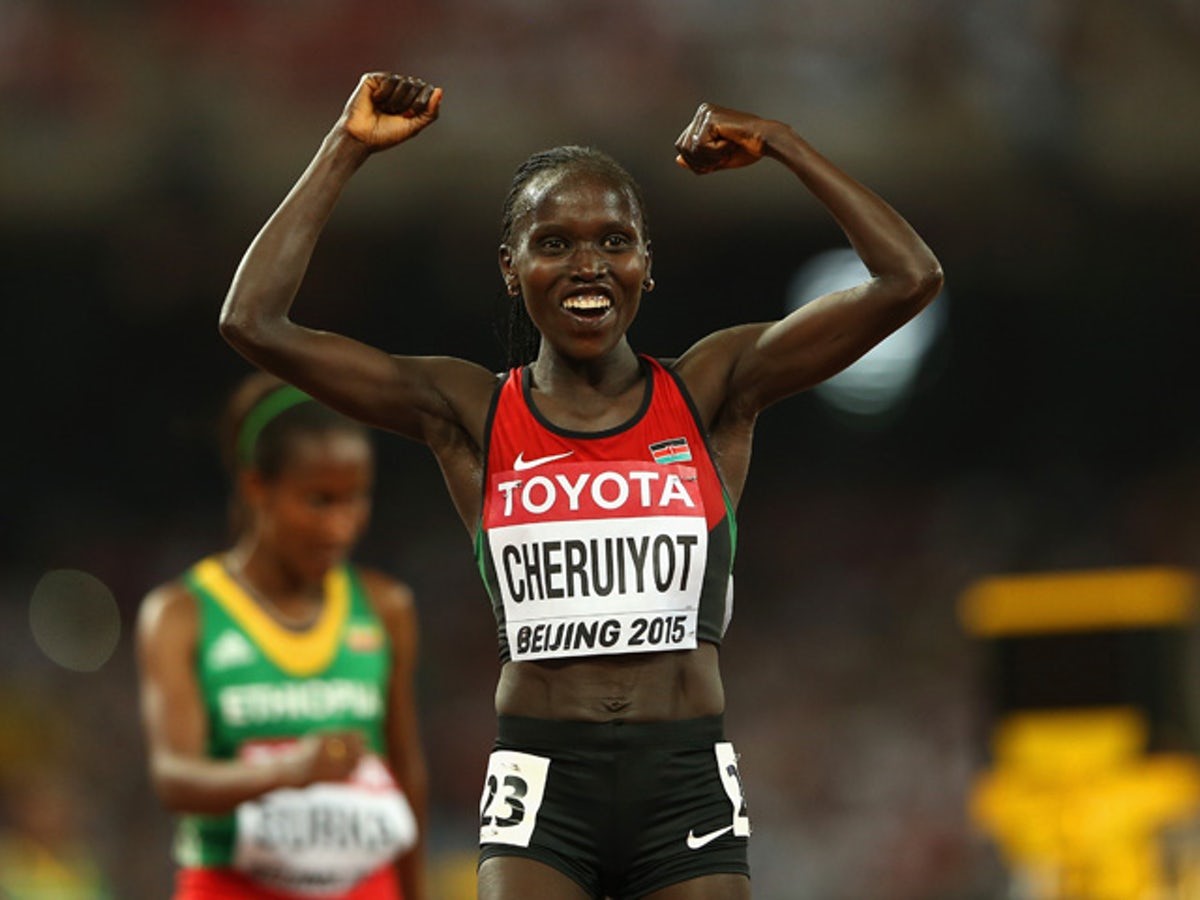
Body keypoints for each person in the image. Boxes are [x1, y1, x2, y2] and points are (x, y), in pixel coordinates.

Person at [218, 72, 943, 900]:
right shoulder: (470, 412)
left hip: (684, 779)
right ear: (511, 267)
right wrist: (344, 147)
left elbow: (908, 277)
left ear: (646, 263)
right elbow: (253, 322)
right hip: (541, 782)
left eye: (614, 241)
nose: (588, 265)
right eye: (555, 243)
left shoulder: (711, 390)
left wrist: (783, 143)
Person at [136, 371, 429, 900]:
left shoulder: (385, 607)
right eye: (319, 500)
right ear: (257, 487)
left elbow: (407, 769)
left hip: (366, 886)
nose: (341, 526)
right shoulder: (182, 614)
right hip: (230, 886)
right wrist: (290, 770)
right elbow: (173, 778)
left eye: (355, 499)